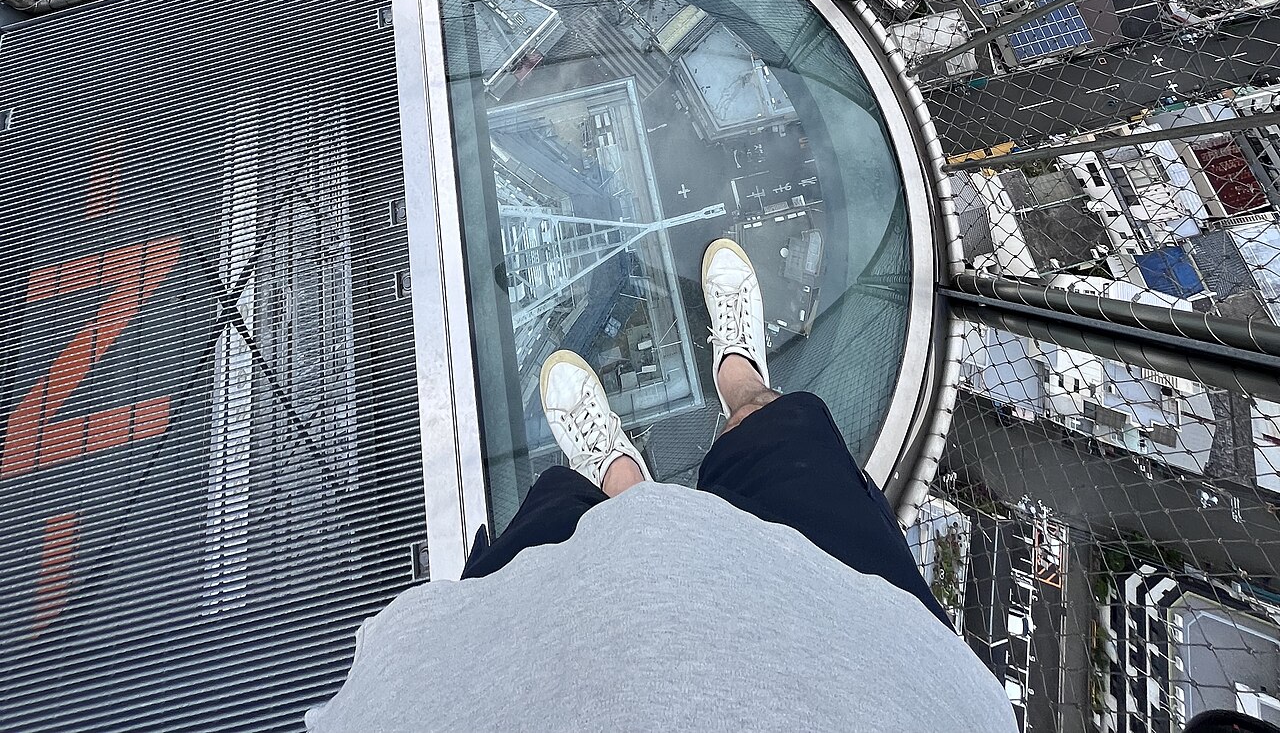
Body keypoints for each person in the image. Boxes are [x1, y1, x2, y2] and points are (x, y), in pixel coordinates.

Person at [308, 240, 1017, 732]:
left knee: (560, 513)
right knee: (782, 438)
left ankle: (623, 480)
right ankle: (738, 374)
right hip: (866, 660)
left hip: (528, 680)